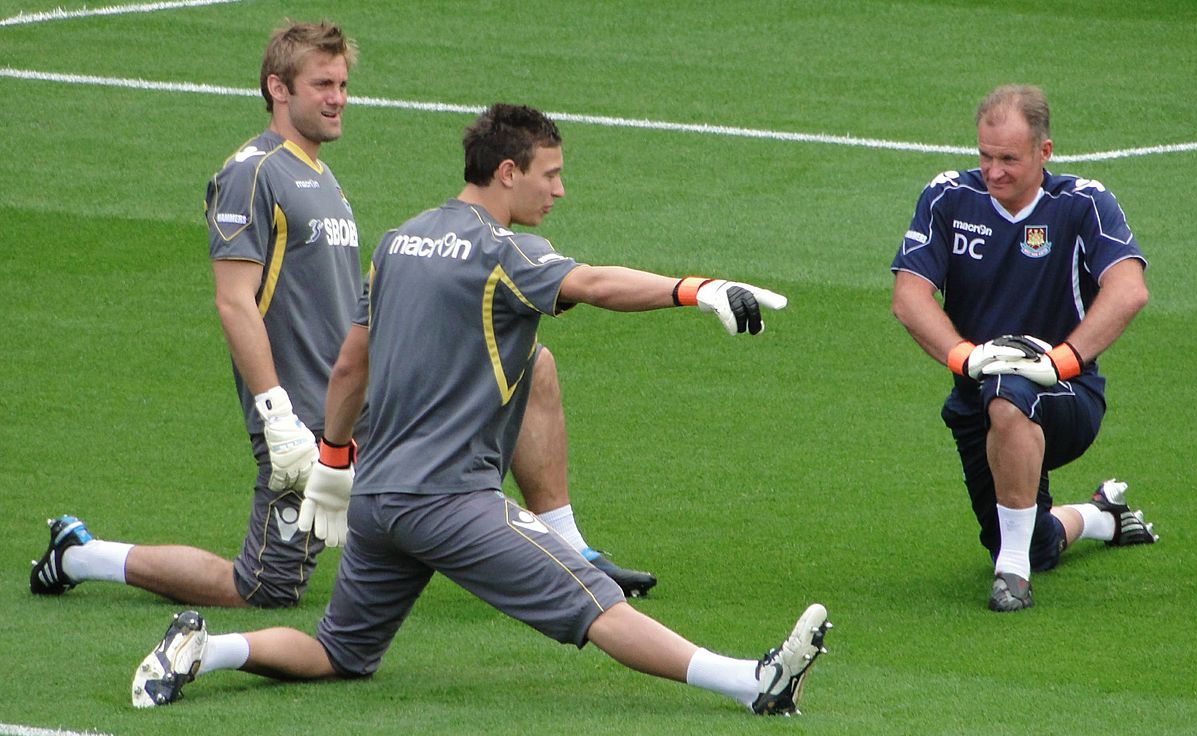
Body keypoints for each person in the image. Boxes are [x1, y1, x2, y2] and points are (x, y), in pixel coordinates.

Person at [127, 102, 830, 716]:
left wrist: (335, 464)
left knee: (339, 652)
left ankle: (208, 649)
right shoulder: (503, 252)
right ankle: (752, 682)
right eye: (549, 173)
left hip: (377, 501)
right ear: (506, 172)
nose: (560, 188)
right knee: (592, 602)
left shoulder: (398, 242)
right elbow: (591, 282)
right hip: (449, 500)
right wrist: (693, 288)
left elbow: (350, 365)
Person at [28, 20, 653, 611]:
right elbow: (233, 300)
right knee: (264, 588)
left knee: (528, 361)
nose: (338, 99)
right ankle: (81, 556)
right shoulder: (252, 174)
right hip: (303, 420)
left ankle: (566, 546)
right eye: (322, 85)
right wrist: (277, 418)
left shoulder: (323, 179)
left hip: (362, 403)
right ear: (279, 89)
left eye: (343, 84)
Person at [890, 84, 1158, 612]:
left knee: (1010, 396)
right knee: (1033, 540)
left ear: (1044, 152)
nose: (993, 172)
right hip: (975, 395)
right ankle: (1104, 515)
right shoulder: (948, 198)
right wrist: (964, 356)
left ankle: (1011, 579)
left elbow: (1129, 289)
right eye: (985, 156)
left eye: (1009, 159)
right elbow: (909, 296)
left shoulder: (1084, 204)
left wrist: (1058, 362)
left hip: (1068, 395)